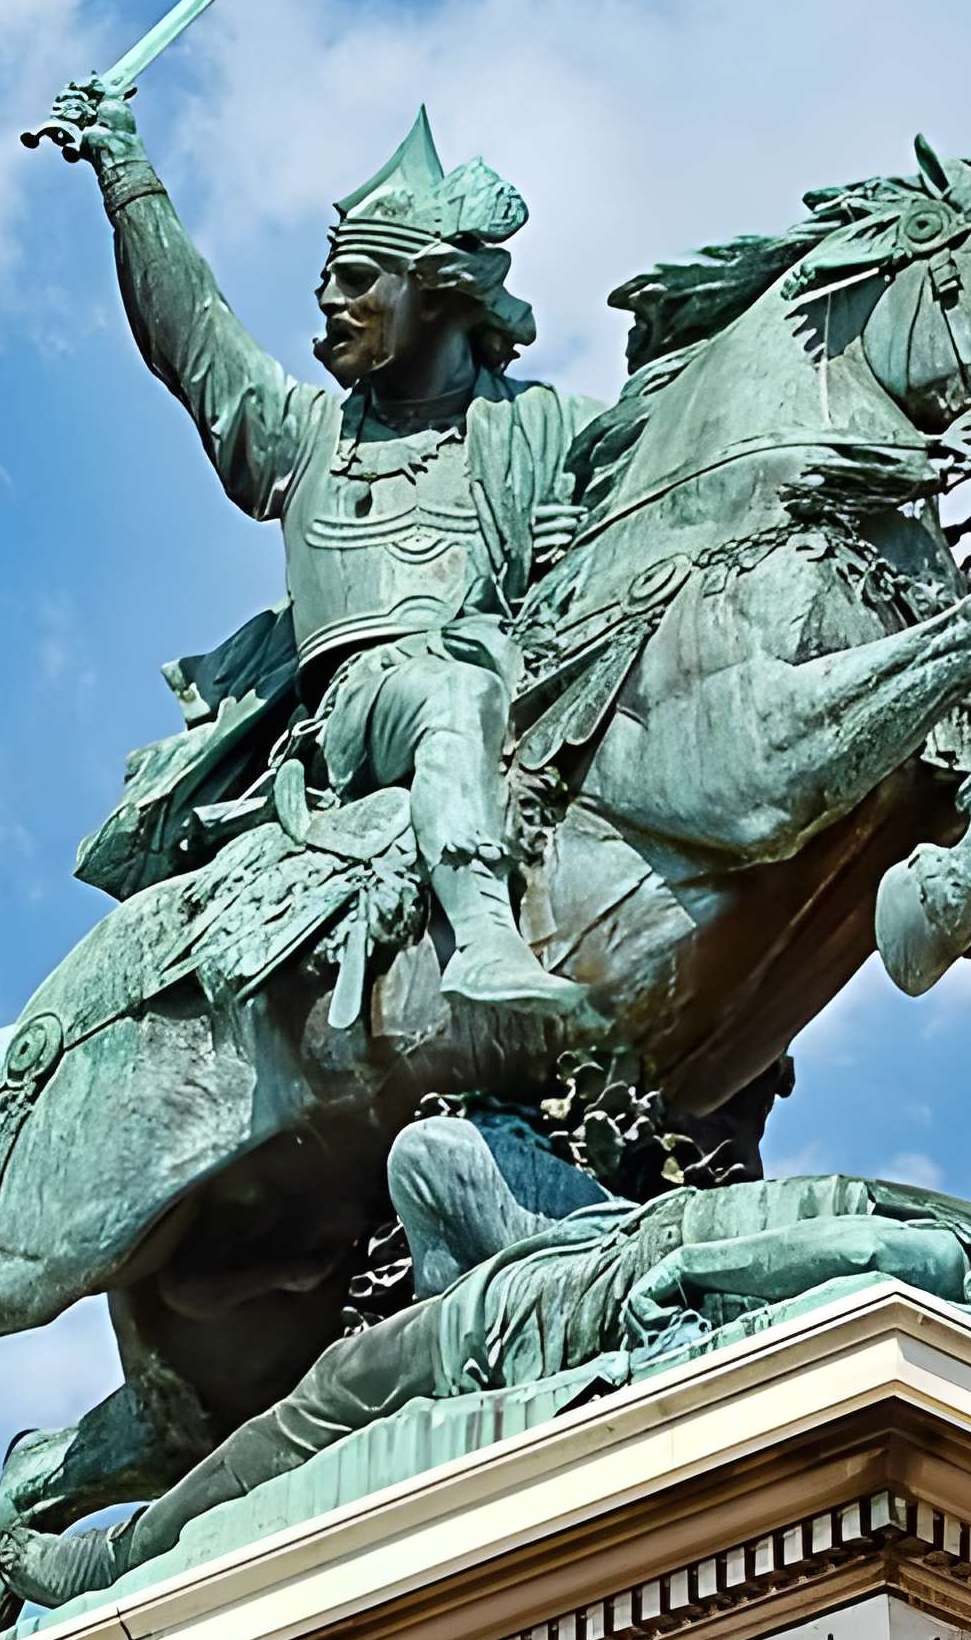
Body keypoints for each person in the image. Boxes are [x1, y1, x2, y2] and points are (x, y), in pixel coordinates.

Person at [0, 1124, 971, 1608]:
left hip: (571, 1294)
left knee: (319, 1411)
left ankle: (116, 1553)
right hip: (589, 1248)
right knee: (428, 1172)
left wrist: (691, 1283)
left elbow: (861, 1244)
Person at [53, 83, 600, 1022]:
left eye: (357, 280)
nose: (328, 298)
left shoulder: (552, 428)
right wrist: (128, 177)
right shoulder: (305, 437)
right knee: (449, 687)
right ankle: (482, 940)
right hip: (365, 706)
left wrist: (575, 551)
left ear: (435, 294)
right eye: (330, 277)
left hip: (533, 680)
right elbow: (193, 338)